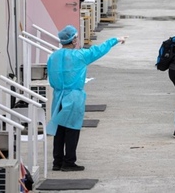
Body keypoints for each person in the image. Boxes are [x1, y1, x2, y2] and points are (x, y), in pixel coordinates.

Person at [46, 25, 126, 171]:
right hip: (74, 96)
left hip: (58, 96)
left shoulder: (53, 57)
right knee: (72, 129)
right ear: (74, 40)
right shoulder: (80, 55)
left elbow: (51, 78)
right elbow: (98, 50)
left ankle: (57, 162)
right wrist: (115, 40)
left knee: (59, 129)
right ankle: (69, 161)